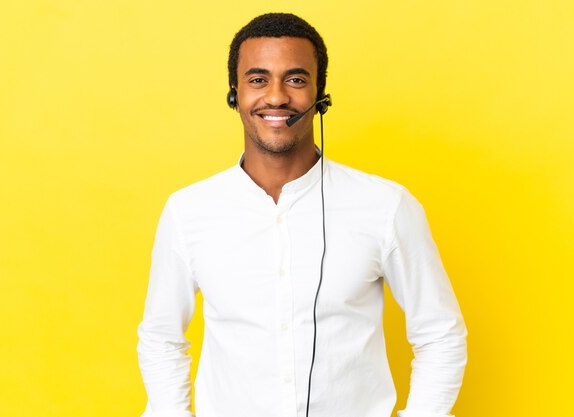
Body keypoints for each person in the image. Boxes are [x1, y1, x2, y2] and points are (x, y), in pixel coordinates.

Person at [137, 12, 467, 417]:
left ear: (320, 95)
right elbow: (161, 338)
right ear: (234, 95)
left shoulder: (387, 205)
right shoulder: (188, 211)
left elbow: (439, 334)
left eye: (295, 79)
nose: (276, 97)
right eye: (258, 79)